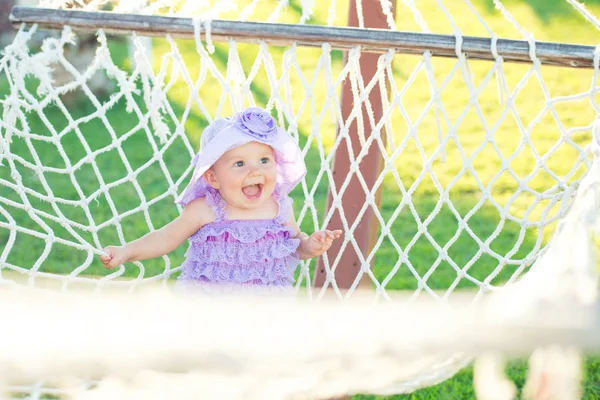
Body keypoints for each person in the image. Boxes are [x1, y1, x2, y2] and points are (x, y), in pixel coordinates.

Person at [100, 107, 342, 293]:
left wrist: (309, 245)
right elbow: (166, 237)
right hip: (211, 305)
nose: (255, 171)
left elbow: (294, 244)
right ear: (213, 177)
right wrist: (127, 250)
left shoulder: (278, 207)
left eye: (264, 161)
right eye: (239, 163)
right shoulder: (207, 209)